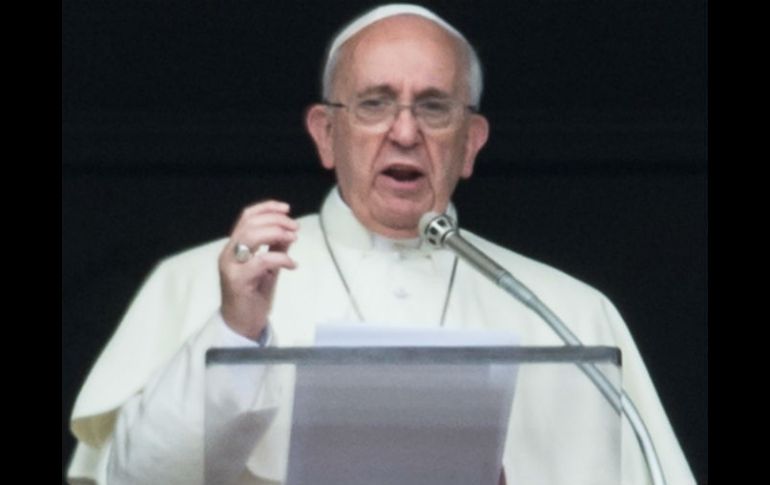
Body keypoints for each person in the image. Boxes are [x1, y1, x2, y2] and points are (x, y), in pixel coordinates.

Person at [67, 4, 696, 485]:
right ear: (325, 134)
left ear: (471, 142)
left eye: (433, 107)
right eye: (374, 104)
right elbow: (137, 477)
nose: (404, 131)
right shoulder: (199, 283)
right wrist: (236, 332)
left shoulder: (571, 312)